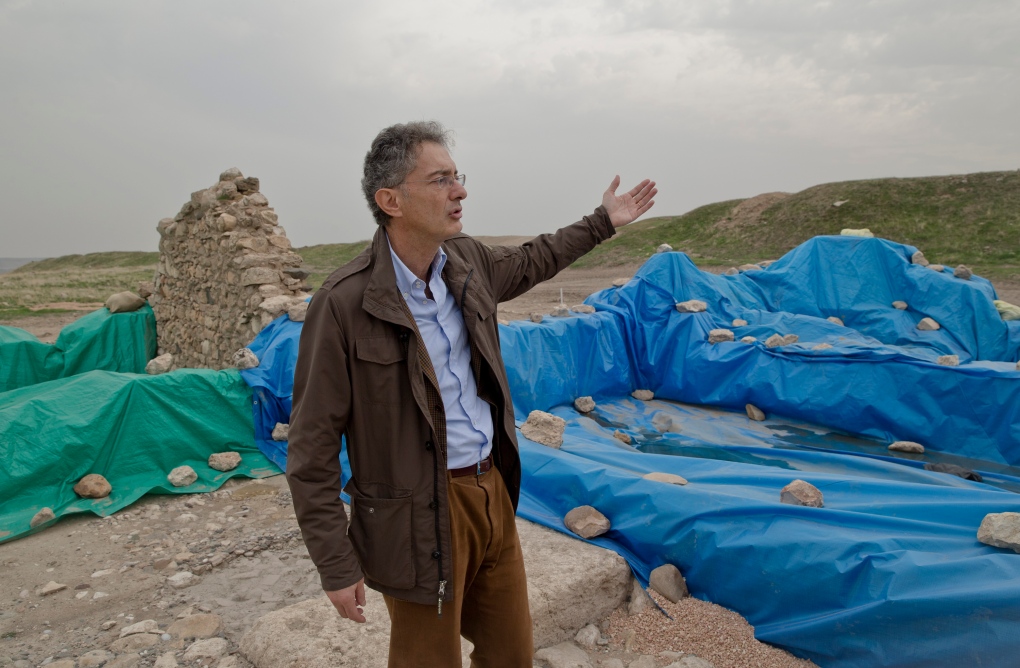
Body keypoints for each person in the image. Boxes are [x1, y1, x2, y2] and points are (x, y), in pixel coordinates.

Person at [286, 121, 656, 667]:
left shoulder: (468, 262)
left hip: (491, 491)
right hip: (414, 518)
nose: (459, 191)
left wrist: (603, 222)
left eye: (458, 177)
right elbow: (311, 447)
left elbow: (537, 257)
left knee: (511, 654)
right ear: (390, 199)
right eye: (440, 180)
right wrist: (335, 564)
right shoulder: (344, 304)